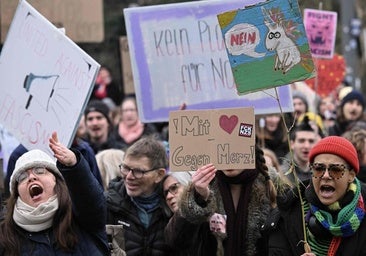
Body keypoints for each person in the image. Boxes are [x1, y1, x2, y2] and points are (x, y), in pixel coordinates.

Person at [0, 132, 109, 255]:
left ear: (56, 180)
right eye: (22, 177)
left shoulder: (81, 216)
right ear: (17, 192)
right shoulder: (6, 235)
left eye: (40, 171)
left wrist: (73, 165)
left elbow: (90, 199)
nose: (31, 177)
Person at [267, 136, 366, 255]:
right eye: (318, 168)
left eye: (335, 170)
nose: (325, 176)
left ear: (351, 175)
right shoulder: (289, 211)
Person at [175, 145, 276, 256]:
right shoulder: (205, 183)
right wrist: (198, 198)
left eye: (234, 151)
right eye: (222, 151)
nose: (228, 159)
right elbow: (177, 240)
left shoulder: (270, 183)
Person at [105, 136, 172, 256]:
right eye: (125, 168)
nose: (129, 177)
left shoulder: (172, 205)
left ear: (159, 175)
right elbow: (116, 253)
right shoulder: (112, 203)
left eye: (138, 171)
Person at [280, 116, 318, 185]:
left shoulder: (320, 172)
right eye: (301, 141)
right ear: (292, 144)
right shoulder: (282, 174)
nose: (306, 146)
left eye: (311, 141)